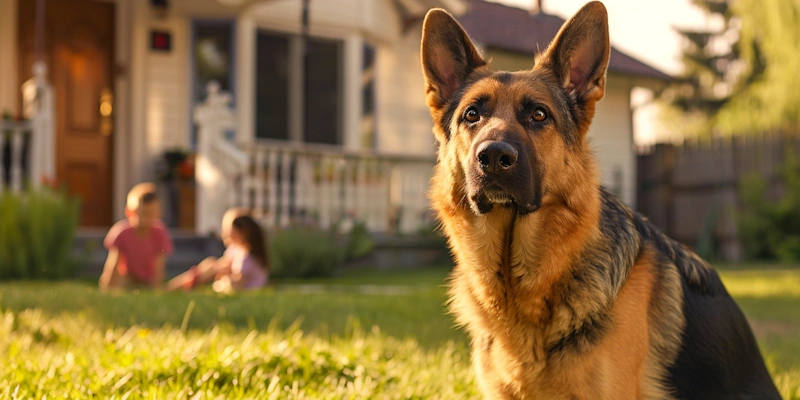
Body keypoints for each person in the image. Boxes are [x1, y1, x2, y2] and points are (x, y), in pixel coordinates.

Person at [167, 210, 269, 292]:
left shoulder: (245, 258)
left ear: (241, 233)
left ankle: (174, 288)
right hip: (233, 280)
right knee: (210, 263)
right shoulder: (236, 250)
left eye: (228, 230)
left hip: (246, 289)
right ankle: (174, 287)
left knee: (211, 267)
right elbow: (223, 265)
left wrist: (219, 285)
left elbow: (236, 285)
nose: (223, 233)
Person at [99, 183, 173, 291]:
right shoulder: (121, 232)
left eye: (150, 214)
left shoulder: (159, 233)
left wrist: (156, 290)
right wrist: (107, 289)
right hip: (127, 278)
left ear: (158, 213)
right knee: (122, 285)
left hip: (149, 279)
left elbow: (159, 268)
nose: (146, 219)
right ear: (130, 212)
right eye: (143, 213)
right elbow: (113, 265)